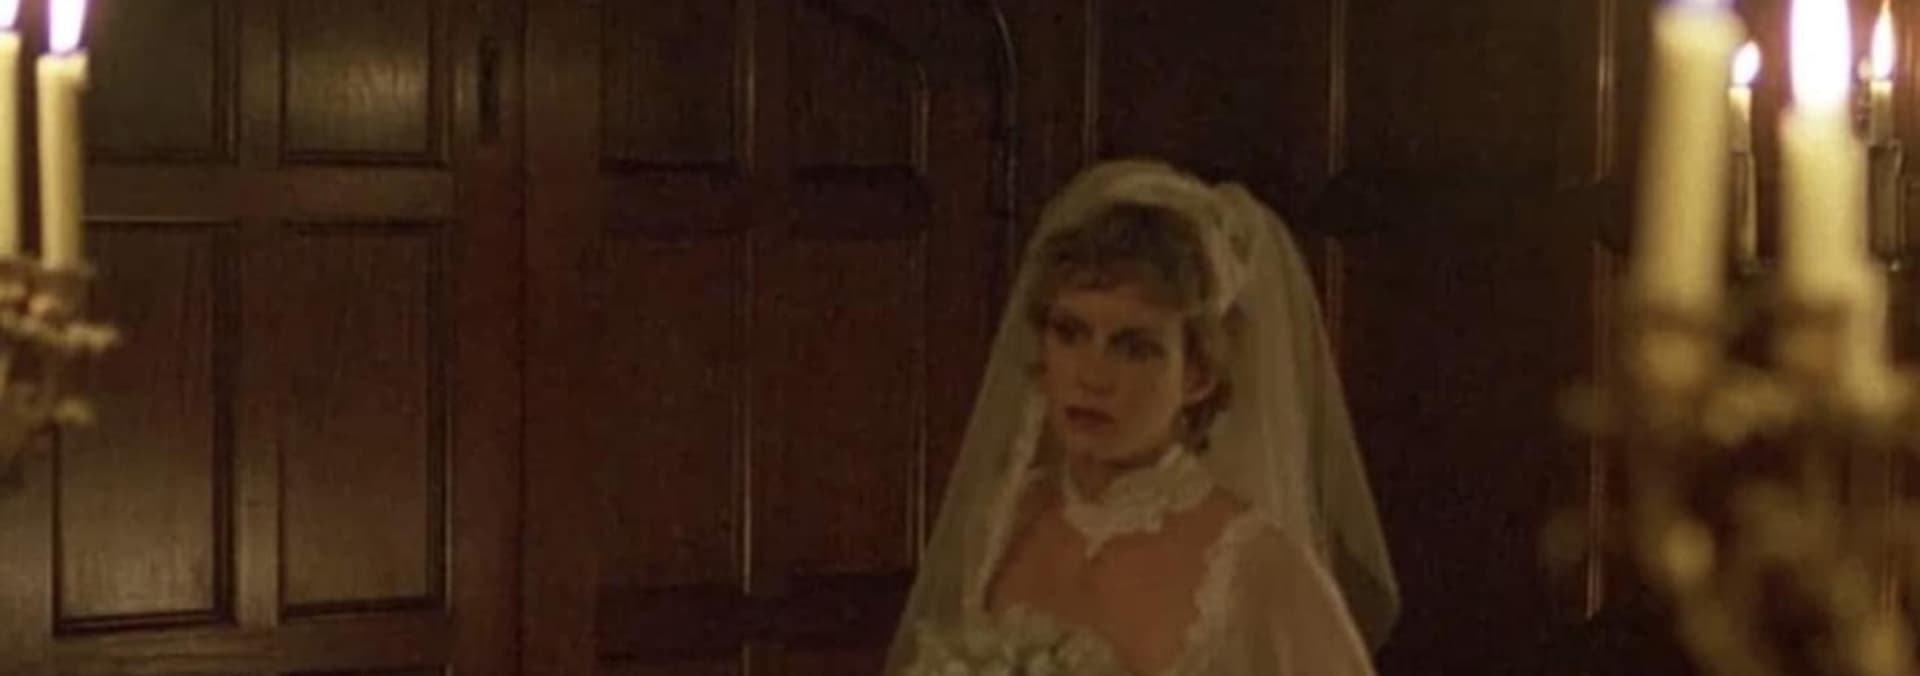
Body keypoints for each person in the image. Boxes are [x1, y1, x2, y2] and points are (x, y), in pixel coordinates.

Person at [886, 160, 1399, 676]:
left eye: (1134, 348)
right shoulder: (1002, 524)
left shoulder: (1257, 567)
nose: (1092, 376)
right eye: (1070, 333)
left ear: (1197, 375)